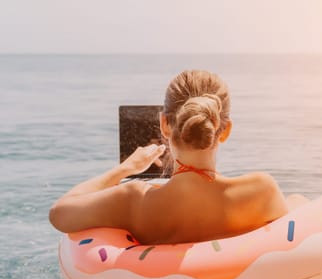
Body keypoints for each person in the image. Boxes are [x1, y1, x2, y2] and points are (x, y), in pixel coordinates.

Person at [49, 70, 308, 244]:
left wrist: (124, 170)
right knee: (297, 200)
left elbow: (60, 214)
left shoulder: (133, 201)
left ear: (164, 125)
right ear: (225, 130)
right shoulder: (260, 191)